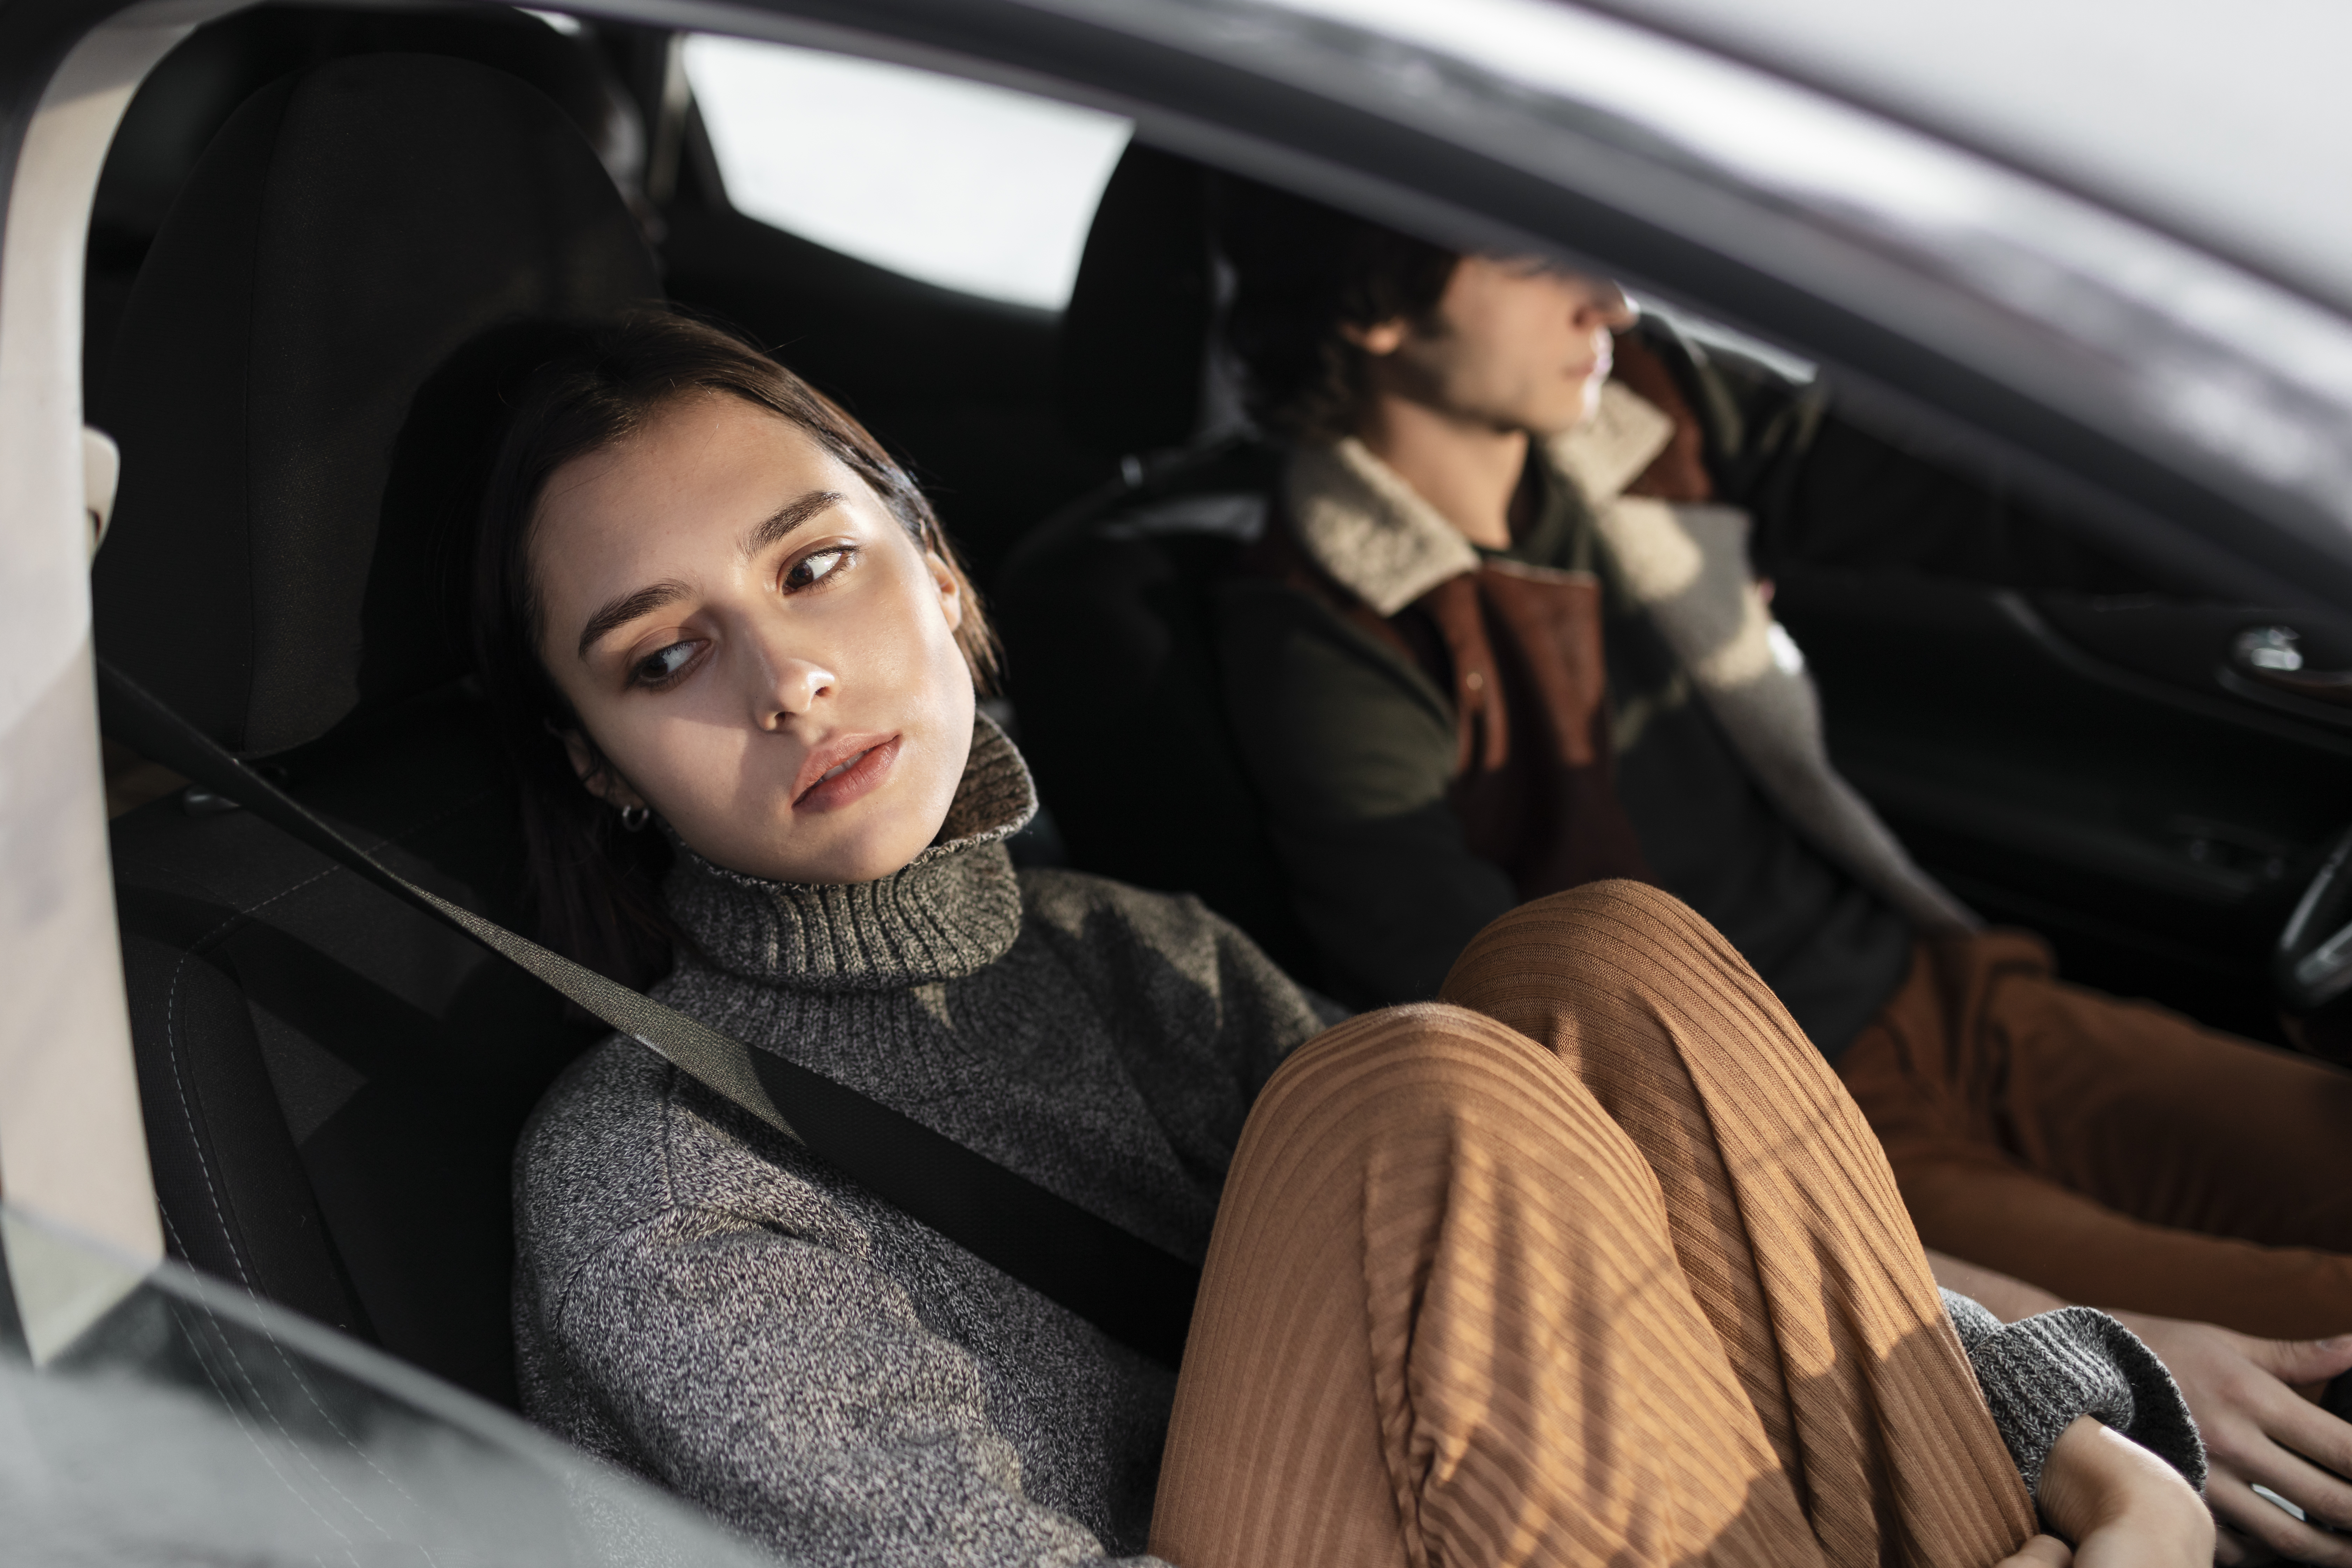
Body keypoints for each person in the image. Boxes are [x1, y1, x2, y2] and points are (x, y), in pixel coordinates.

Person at [482, 310, 2207, 1568]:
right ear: (599, 765)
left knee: (1599, 960)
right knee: (1418, 1095)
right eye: (661, 658)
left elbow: (1653, 1261)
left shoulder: (1131, 952)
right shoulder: (656, 1183)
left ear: (935, 570)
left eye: (814, 566)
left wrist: (2071, 1433)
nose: (788, 679)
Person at [1071, 180, 2352, 1563]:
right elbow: (1516, 1060)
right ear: (1378, 311)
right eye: (1532, 253)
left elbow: (1983, 498)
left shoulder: (1649, 412)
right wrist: (2010, 1331)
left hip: (1954, 992)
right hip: (1784, 1124)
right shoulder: (1331, 641)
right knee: (2314, 1337)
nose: (1610, 298)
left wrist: (2277, 500)